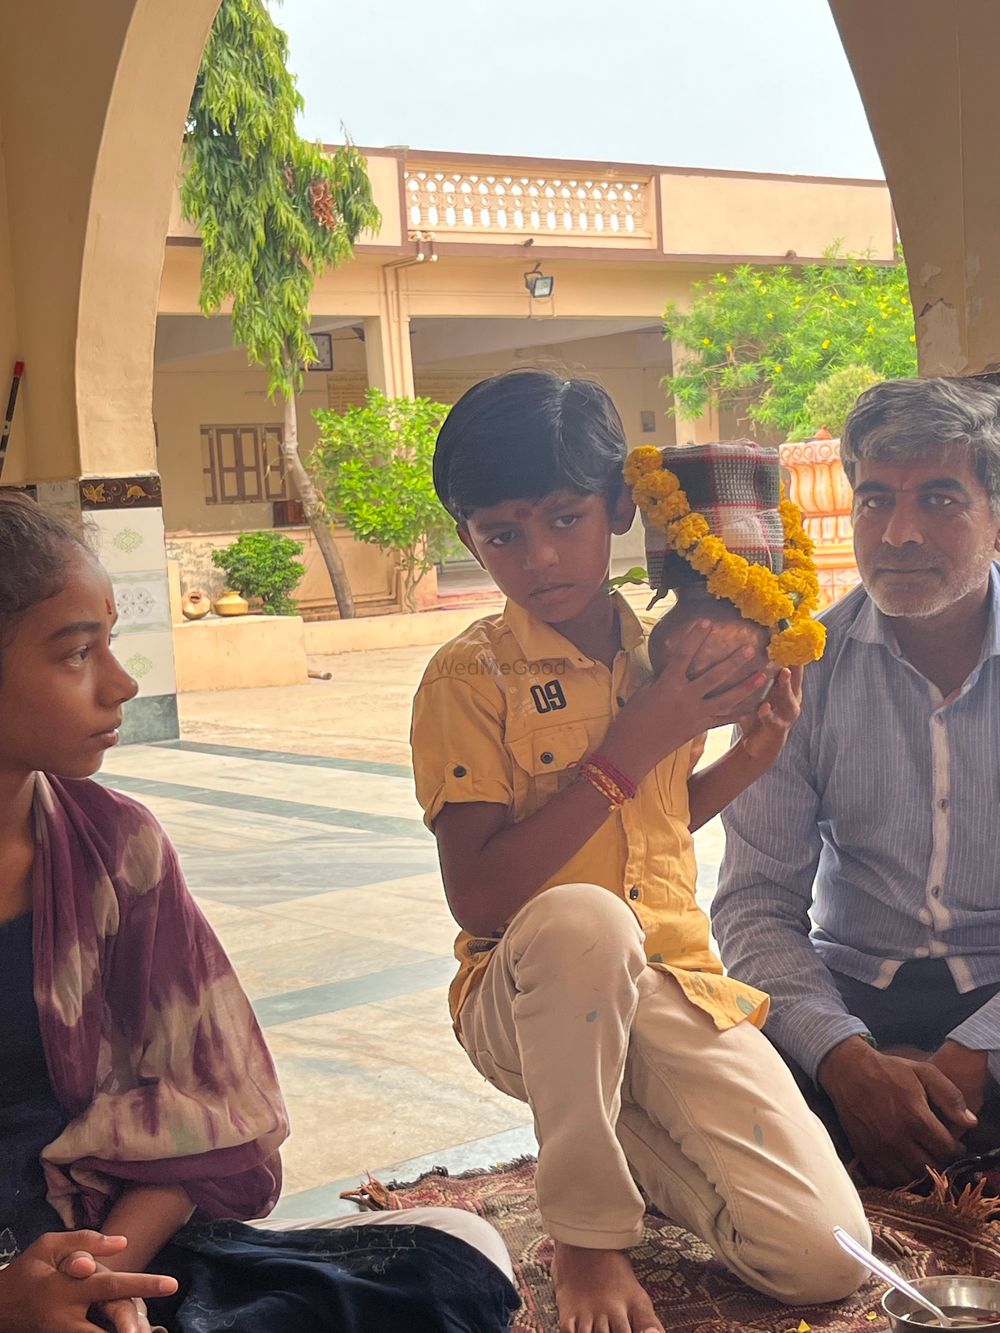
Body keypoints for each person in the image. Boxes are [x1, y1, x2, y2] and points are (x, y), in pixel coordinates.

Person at [410, 369, 870, 1333]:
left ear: (620, 507)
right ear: (469, 537)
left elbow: (650, 827)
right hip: (525, 988)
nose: (539, 556)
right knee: (585, 919)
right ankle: (586, 1232)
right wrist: (631, 742)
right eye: (503, 534)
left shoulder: (665, 651)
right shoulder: (471, 676)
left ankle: (616, 1137)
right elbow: (482, 896)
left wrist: (754, 756)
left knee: (824, 1257)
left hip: (670, 978)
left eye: (565, 518)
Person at [0, 493, 518, 1333]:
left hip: (97, 1257)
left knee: (455, 1255)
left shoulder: (113, 846)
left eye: (112, 643)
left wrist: (100, 1276)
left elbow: (214, 1107)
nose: (123, 683)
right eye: (76, 654)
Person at [713, 374, 1000, 1190]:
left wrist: (976, 1051)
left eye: (940, 499)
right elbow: (755, 904)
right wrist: (844, 1056)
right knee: (702, 1076)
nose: (899, 533)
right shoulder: (799, 671)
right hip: (846, 995)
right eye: (875, 500)